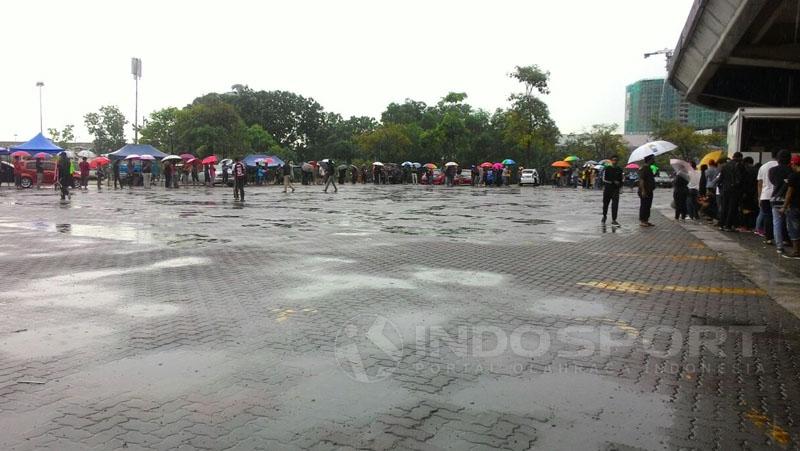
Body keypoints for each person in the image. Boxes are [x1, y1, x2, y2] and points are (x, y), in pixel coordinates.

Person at [770, 150, 793, 256]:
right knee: (791, 223)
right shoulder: (792, 170)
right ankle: (794, 244)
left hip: (776, 198)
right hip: (790, 200)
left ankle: (779, 247)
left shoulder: (772, 170)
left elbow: (773, 182)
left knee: (777, 223)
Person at [778, 154, 800, 259]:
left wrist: (784, 207)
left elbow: (789, 193)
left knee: (794, 228)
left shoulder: (793, 176)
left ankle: (796, 251)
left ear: (794, 164)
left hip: (795, 206)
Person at [718, 152, 746, 232]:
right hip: (735, 190)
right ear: (739, 157)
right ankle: (728, 225)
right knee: (732, 208)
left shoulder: (725, 166)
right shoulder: (739, 165)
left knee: (724, 207)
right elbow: (742, 179)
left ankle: (721, 224)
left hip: (725, 190)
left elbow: (720, 180)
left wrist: (721, 189)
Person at [756, 150, 779, 243]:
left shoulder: (763, 166)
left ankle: (768, 238)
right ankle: (780, 238)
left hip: (765, 195)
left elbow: (759, 183)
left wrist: (759, 197)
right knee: (778, 218)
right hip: (777, 195)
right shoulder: (782, 166)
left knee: (767, 217)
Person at [601, 155, 623, 225]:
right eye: (613, 160)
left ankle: (614, 219)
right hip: (608, 188)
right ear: (611, 161)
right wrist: (613, 181)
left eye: (616, 160)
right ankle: (604, 216)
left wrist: (620, 186)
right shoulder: (607, 168)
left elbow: (621, 179)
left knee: (615, 205)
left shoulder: (619, 169)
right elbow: (604, 179)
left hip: (616, 189)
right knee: (605, 204)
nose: (615, 161)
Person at [637, 155, 656, 227]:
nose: (654, 160)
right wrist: (643, 191)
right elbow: (641, 180)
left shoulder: (649, 168)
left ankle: (646, 220)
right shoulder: (644, 168)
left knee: (648, 206)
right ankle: (642, 221)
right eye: (653, 159)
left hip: (649, 190)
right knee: (644, 206)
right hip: (645, 191)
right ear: (649, 160)